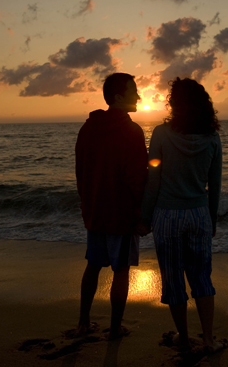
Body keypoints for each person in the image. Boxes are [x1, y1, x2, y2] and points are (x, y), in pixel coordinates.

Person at [140, 77, 223, 352]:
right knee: (202, 278)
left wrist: (144, 216)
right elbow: (215, 183)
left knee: (174, 281)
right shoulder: (212, 138)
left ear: (174, 103)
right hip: (199, 215)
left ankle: (185, 339)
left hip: (167, 216)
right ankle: (209, 339)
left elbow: (153, 180)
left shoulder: (162, 134)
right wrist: (211, 218)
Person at [75, 72, 148, 339]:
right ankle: (115, 328)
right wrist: (142, 214)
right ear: (118, 97)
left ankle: (83, 322)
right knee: (120, 271)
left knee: (93, 266)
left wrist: (87, 204)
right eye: (133, 91)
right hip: (121, 214)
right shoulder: (131, 131)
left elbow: (80, 172)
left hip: (95, 210)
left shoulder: (87, 129)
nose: (138, 96)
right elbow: (137, 178)